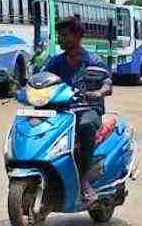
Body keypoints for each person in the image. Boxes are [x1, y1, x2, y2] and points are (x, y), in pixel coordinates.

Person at [42, 15, 112, 202]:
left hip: (87, 108)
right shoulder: (55, 62)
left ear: (77, 36)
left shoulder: (93, 60)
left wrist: (98, 93)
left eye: (64, 35)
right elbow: (41, 79)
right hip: (62, 109)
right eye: (59, 36)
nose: (60, 40)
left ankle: (83, 180)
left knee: (86, 127)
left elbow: (107, 83)